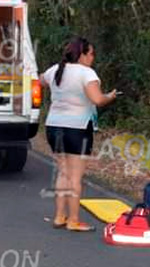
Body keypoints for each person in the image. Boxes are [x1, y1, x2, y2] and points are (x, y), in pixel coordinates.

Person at [40, 37, 117, 232]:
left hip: (54, 126)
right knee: (75, 176)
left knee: (63, 172)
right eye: (91, 53)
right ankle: (73, 219)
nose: (93, 57)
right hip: (78, 128)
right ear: (82, 55)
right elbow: (97, 99)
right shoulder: (87, 73)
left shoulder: (55, 70)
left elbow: (40, 81)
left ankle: (59, 216)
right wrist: (111, 96)